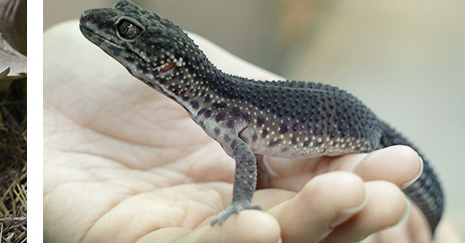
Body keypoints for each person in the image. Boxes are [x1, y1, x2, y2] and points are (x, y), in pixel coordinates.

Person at [44, 21, 459, 243]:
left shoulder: (218, 107)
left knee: (391, 193)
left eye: (127, 32)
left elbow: (245, 155)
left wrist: (240, 202)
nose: (107, 31)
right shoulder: (213, 101)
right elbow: (249, 154)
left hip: (361, 132)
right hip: (353, 117)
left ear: (167, 64)